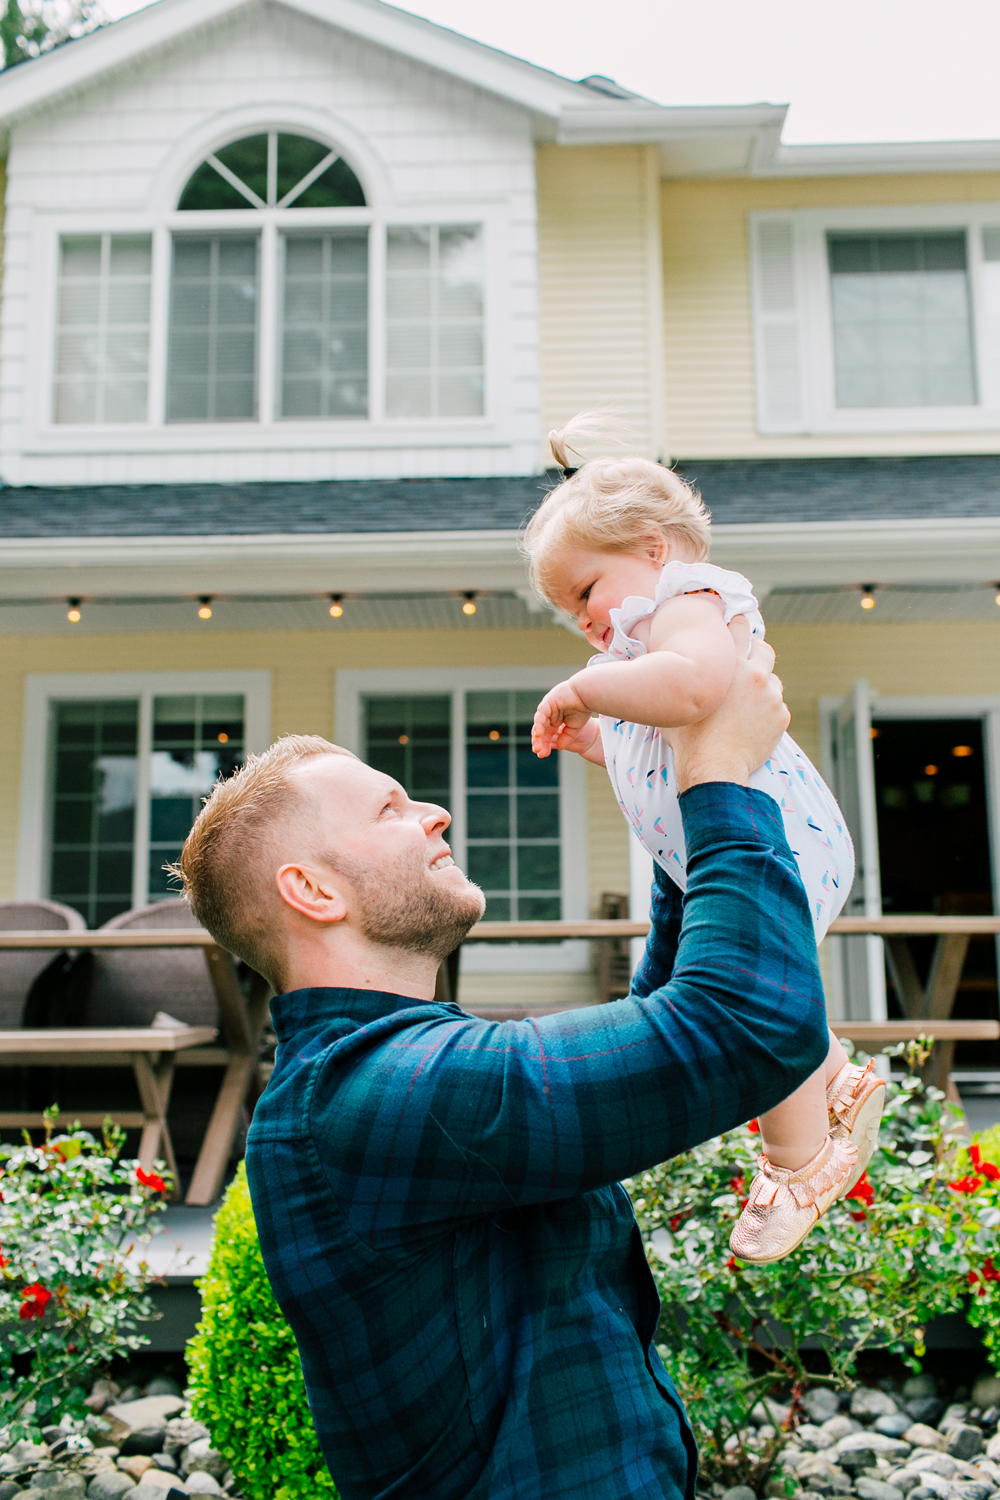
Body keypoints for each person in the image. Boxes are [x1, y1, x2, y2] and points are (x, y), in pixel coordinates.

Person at [171, 637, 828, 1500]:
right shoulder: (366, 1098)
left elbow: (664, 1021)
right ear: (314, 892)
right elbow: (744, 1024)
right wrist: (720, 774)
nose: (436, 812)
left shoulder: (396, 1074)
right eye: (390, 809)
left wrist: (664, 785)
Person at [525, 414, 884, 1264]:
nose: (582, 621)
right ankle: (835, 1074)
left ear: (652, 550)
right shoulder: (641, 639)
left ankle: (799, 1164)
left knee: (756, 1002)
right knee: (731, 995)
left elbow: (694, 689)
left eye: (584, 591)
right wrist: (601, 733)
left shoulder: (687, 600)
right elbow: (667, 730)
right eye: (565, 610)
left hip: (777, 844)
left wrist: (591, 687)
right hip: (719, 857)